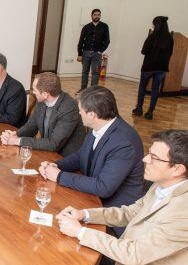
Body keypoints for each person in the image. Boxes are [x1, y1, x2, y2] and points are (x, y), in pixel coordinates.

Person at [55, 129, 188, 265]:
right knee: (66, 262)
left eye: (153, 157)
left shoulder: (183, 211)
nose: (144, 159)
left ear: (177, 169)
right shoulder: (164, 185)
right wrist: (85, 214)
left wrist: (81, 232)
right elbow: (130, 212)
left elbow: (134, 255)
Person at [39, 86, 144, 232]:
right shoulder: (99, 127)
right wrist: (56, 165)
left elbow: (103, 187)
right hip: (90, 199)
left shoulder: (124, 143)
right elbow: (81, 156)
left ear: (92, 114)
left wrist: (59, 176)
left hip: (113, 217)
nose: (79, 113)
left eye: (80, 110)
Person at [1, 72, 84, 157]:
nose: (33, 92)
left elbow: (53, 144)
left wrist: (17, 141)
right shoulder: (42, 101)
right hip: (47, 152)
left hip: (65, 158)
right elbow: (31, 126)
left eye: (34, 90)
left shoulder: (69, 108)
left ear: (45, 94)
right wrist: (15, 134)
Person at [132, 16, 174, 120]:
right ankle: (150, 112)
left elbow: (143, 51)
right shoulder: (170, 38)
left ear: (156, 25)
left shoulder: (152, 36)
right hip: (162, 68)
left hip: (148, 67)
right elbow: (170, 54)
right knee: (155, 90)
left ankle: (139, 109)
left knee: (142, 87)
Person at [77, 8, 110, 92]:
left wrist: (101, 51)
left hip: (97, 53)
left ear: (100, 16)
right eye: (95, 15)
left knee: (95, 73)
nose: (97, 16)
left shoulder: (104, 26)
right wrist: (79, 54)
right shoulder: (86, 27)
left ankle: (93, 90)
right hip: (86, 52)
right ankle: (83, 89)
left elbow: (107, 41)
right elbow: (81, 41)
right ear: (92, 16)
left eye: (98, 15)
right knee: (85, 71)